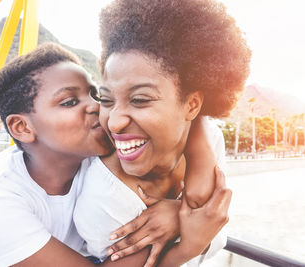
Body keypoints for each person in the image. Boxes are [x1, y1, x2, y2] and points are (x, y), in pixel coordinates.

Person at [0, 42, 234, 266]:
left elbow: (188, 118)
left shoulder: (104, 151)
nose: (96, 107)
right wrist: (185, 241)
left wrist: (180, 207)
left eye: (97, 95)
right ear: (22, 127)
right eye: (70, 101)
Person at [74, 0, 251, 266]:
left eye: (140, 100)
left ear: (192, 105)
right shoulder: (106, 198)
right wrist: (187, 244)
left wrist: (178, 212)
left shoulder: (210, 139)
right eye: (107, 100)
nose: (114, 123)